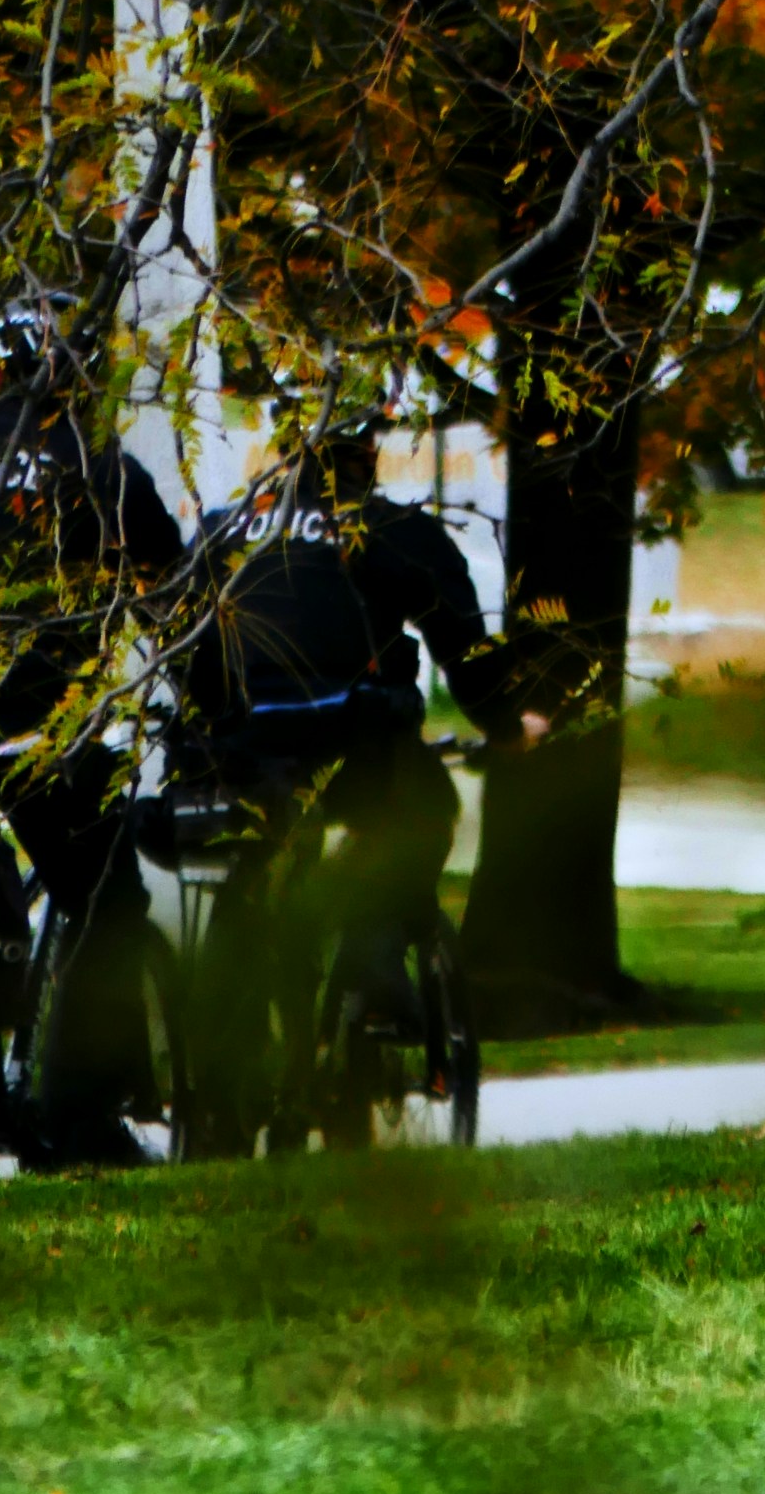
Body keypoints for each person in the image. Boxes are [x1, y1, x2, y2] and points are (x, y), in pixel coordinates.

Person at [173, 428, 547, 1132]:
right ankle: (373, 959)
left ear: (287, 449)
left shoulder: (225, 530)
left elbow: (182, 641)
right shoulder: (395, 531)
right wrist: (506, 724)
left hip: (241, 751)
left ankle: (226, 1076)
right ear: (367, 454)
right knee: (422, 809)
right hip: (350, 745)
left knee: (252, 863)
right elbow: (466, 651)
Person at [0, 294, 184, 1164]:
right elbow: (179, 607)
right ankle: (82, 1117)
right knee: (107, 894)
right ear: (85, 378)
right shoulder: (99, 473)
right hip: (27, 729)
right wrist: (215, 716)